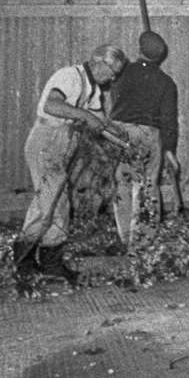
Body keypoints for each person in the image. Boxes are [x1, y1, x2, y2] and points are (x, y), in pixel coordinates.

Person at [13, 44, 129, 284]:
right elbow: (51, 105)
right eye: (112, 71)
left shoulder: (93, 89)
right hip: (46, 142)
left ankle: (51, 263)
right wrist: (84, 116)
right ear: (98, 62)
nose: (113, 78)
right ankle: (23, 261)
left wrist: (117, 132)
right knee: (46, 202)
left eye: (116, 73)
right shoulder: (70, 76)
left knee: (61, 203)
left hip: (64, 145)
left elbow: (98, 118)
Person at [108, 30, 181, 248]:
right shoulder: (167, 83)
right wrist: (169, 149)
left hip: (120, 132)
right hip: (150, 134)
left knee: (122, 184)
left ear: (138, 49)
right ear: (160, 57)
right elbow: (169, 120)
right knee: (148, 186)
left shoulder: (122, 73)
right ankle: (144, 243)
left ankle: (125, 238)